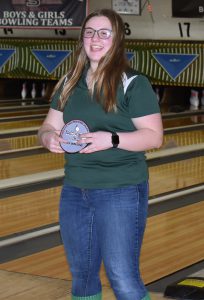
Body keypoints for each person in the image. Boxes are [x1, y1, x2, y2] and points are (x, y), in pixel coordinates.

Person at [38, 8, 163, 300]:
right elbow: (48, 124)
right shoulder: (71, 80)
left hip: (120, 189)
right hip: (75, 190)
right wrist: (48, 137)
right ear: (82, 38)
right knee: (81, 276)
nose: (95, 39)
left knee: (122, 275)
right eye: (89, 32)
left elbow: (154, 137)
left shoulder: (133, 83)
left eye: (104, 33)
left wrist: (113, 139)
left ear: (117, 39)